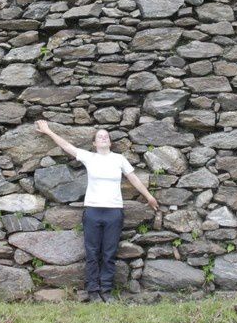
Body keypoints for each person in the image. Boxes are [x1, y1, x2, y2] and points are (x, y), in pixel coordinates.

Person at [35, 120, 159, 303]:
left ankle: (106, 291)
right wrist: (48, 131)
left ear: (110, 142)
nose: (103, 137)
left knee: (109, 253)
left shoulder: (119, 159)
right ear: (94, 143)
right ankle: (93, 291)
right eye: (99, 136)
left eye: (106, 136)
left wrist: (149, 196)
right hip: (93, 211)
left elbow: (133, 178)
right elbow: (67, 146)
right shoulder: (89, 157)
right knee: (92, 253)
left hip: (114, 212)